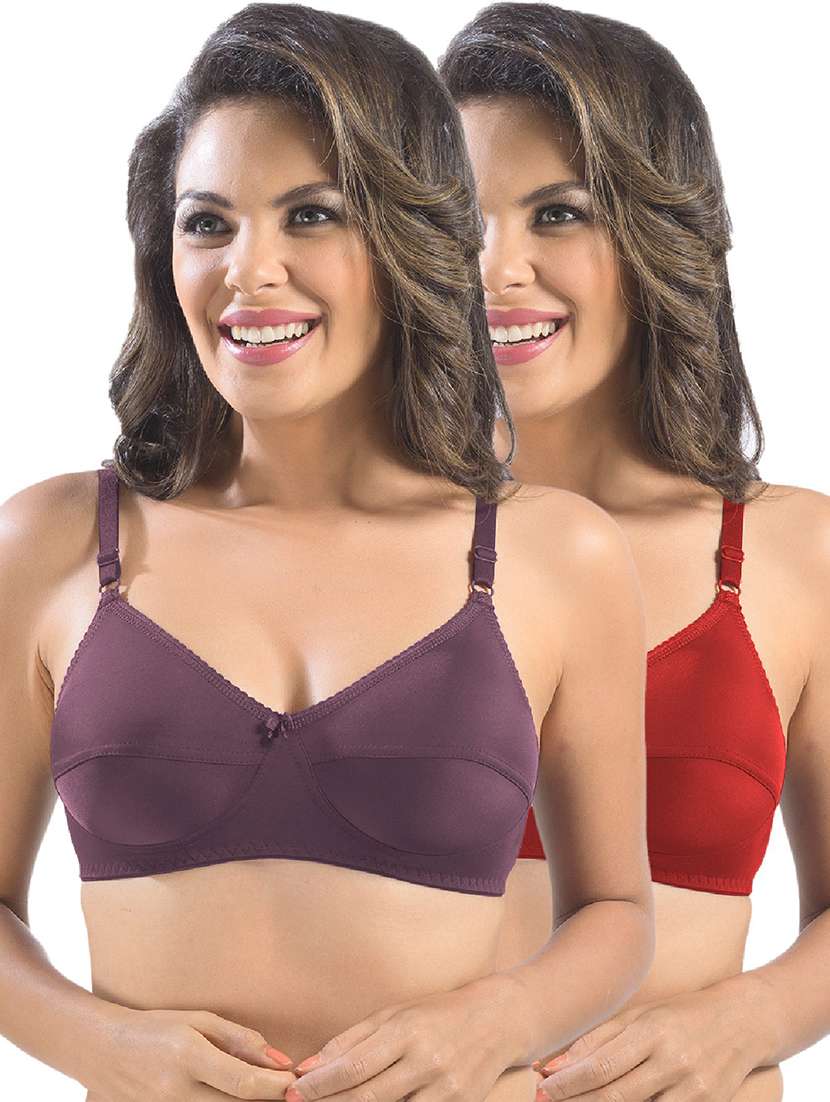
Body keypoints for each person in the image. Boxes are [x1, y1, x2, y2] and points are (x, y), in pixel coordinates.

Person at [0, 5, 654, 1101]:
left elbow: (615, 912)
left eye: (310, 215)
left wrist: (498, 1018)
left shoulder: (554, 553)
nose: (249, 270)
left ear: (405, 240)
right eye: (207, 224)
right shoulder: (56, 543)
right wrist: (94, 1044)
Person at [438, 5, 830, 1100]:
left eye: (556, 213)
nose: (496, 268)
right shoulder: (369, 536)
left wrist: (745, 1020)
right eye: (459, 220)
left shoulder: (792, 553)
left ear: (655, 234)